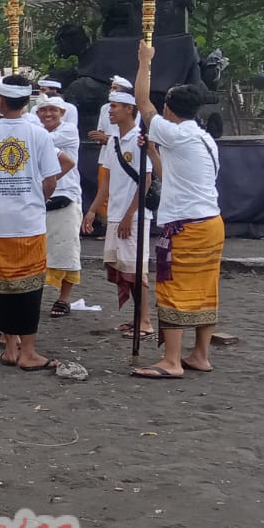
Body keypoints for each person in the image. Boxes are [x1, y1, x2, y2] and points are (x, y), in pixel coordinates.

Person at [131, 43, 225, 378]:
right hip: (210, 221)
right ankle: (200, 354)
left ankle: (171, 361)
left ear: (169, 109)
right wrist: (155, 151)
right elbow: (169, 174)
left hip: (186, 224)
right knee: (204, 287)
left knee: (173, 287)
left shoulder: (176, 133)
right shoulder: (201, 138)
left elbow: (142, 103)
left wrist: (145, 62)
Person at [0, 76, 63, 370]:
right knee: (31, 284)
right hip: (30, 220)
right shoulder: (39, 135)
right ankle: (29, 350)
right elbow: (50, 179)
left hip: (0, 220)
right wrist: (38, 199)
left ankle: (10, 346)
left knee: (5, 283)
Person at [85, 90, 155, 340]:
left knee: (136, 269)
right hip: (116, 213)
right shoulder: (114, 141)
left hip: (134, 216)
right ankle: (138, 317)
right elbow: (107, 181)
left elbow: (145, 181)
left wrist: (129, 216)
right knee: (124, 268)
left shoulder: (139, 141)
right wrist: (93, 209)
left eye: (114, 106)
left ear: (128, 109)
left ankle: (145, 320)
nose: (110, 111)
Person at [37, 97, 81, 318]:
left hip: (65, 193)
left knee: (66, 249)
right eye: (43, 110)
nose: (47, 114)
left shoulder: (69, 130)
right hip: (39, 196)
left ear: (61, 112)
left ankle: (64, 298)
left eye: (52, 110)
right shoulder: (35, 130)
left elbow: (43, 141)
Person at [89, 76, 134, 144]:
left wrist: (107, 138)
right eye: (111, 88)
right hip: (107, 150)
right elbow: (101, 131)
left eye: (115, 88)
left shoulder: (134, 109)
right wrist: (98, 136)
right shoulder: (104, 108)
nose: (111, 91)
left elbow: (131, 136)